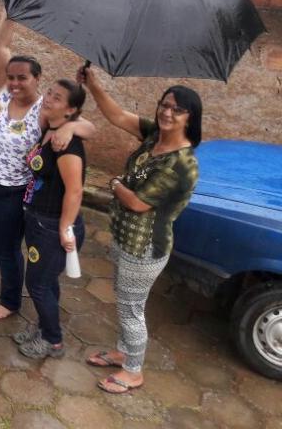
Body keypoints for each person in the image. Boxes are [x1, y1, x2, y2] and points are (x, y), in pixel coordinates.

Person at [0, 17, 93, 321]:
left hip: (7, 191)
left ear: (37, 79)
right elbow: (1, 46)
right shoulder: (4, 92)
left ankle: (9, 300)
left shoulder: (43, 110)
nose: (15, 83)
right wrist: (9, 16)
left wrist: (70, 129)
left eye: (23, 78)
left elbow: (90, 128)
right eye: (11, 77)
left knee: (5, 247)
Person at [78, 68, 201, 395]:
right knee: (124, 300)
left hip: (145, 247)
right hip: (125, 238)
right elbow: (117, 116)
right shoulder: (154, 136)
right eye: (165, 104)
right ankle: (123, 353)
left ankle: (133, 371)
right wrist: (93, 85)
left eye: (177, 109)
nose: (167, 112)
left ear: (190, 118)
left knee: (132, 309)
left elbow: (137, 203)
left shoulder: (182, 164)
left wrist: (115, 183)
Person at [16, 79, 88, 360]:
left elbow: (75, 191)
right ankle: (44, 326)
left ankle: (53, 340)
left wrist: (64, 227)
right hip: (38, 218)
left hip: (52, 225)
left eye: (57, 98)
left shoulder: (68, 147)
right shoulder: (51, 128)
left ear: (70, 110)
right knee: (46, 281)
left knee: (38, 284)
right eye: (49, 93)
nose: (48, 99)